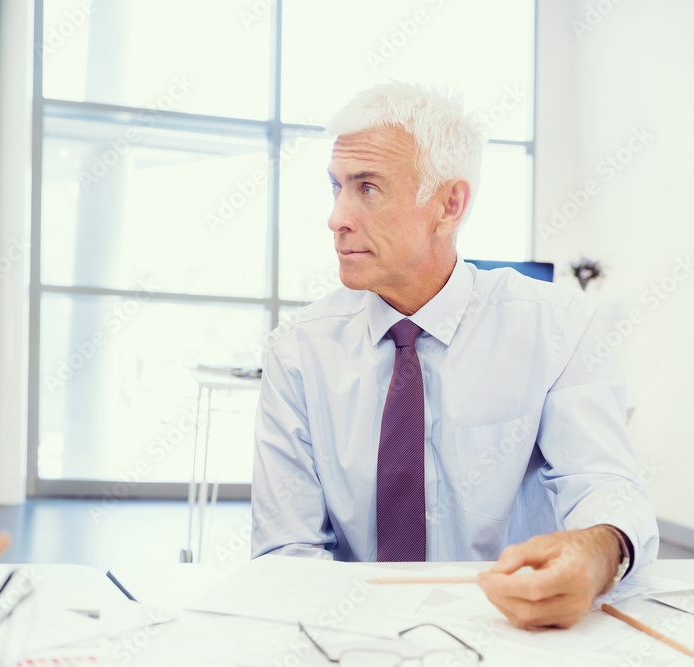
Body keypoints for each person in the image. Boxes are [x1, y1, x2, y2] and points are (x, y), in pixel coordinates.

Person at [251, 82, 658, 629]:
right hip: (350, 631)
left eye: (367, 188)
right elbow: (287, 552)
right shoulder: (298, 350)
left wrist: (599, 548)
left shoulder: (555, 326)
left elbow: (604, 481)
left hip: (511, 627)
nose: (336, 218)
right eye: (335, 187)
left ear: (449, 205)